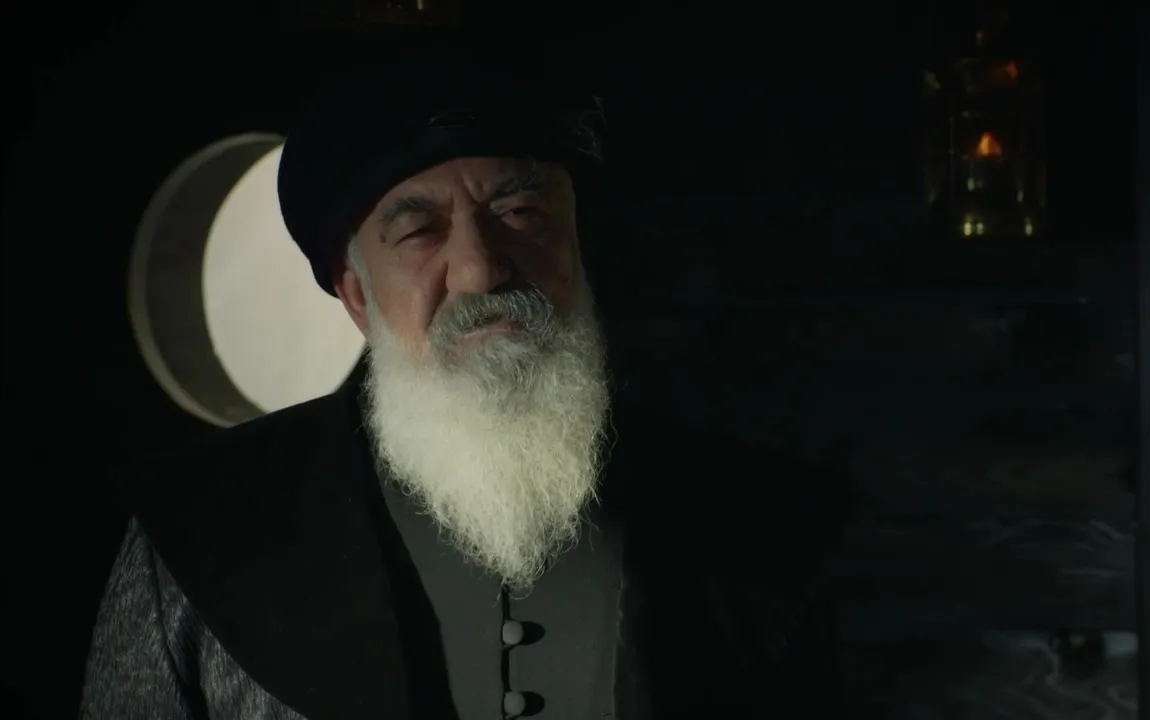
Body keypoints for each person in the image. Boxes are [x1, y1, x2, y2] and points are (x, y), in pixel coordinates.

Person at [80, 52, 853, 720]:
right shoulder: (200, 531)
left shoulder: (761, 526)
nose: (481, 269)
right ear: (356, 293)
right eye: (420, 231)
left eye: (521, 212)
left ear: (575, 244)